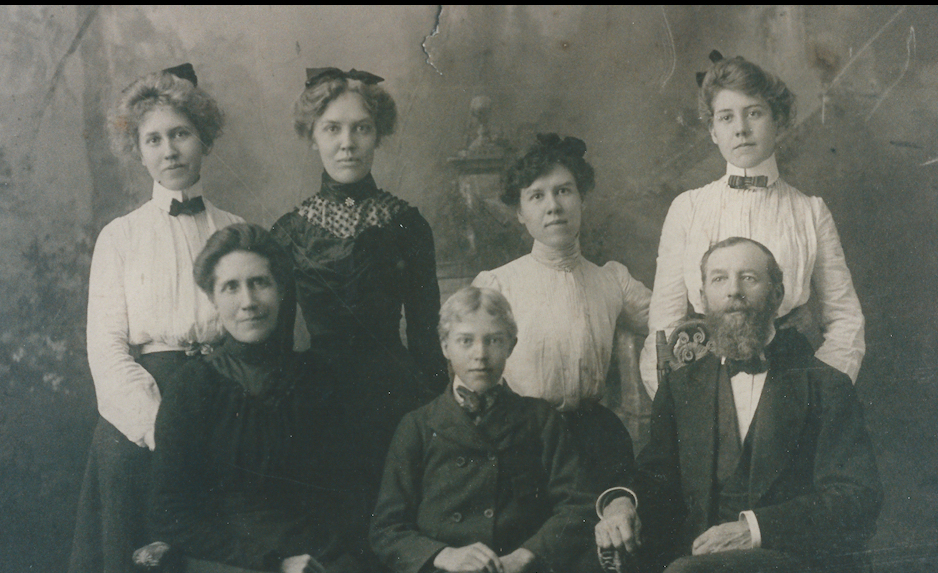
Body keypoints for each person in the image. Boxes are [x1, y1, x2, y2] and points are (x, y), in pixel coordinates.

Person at [596, 237, 898, 573]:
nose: (733, 292)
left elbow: (856, 498)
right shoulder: (681, 387)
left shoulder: (825, 385)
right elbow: (657, 479)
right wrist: (620, 501)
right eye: (719, 280)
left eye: (748, 278)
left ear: (776, 293)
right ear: (703, 298)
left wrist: (755, 529)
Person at [39, 63, 243, 573]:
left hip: (222, 415)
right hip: (138, 431)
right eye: (154, 139)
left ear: (203, 138)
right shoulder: (120, 238)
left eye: (181, 134)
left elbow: (256, 338)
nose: (169, 150)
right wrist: (164, 428)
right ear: (139, 150)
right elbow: (107, 352)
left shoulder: (239, 230)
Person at [148, 223, 413, 573]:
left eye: (261, 284)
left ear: (282, 290)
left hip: (319, 552)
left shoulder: (316, 378)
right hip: (224, 569)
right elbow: (172, 515)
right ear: (213, 299)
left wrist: (339, 554)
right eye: (232, 287)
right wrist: (272, 558)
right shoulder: (191, 390)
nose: (249, 302)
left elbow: (346, 488)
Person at [369, 286, 596, 573]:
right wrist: (445, 555)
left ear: (512, 345)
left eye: (494, 340)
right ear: (445, 347)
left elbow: (578, 505)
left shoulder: (538, 418)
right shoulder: (416, 425)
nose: (481, 354)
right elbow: (385, 530)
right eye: (467, 340)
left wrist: (524, 556)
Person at [638, 54, 866, 400]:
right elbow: (663, 326)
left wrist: (819, 394)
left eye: (754, 113)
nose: (741, 128)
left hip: (790, 380)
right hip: (705, 382)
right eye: (726, 117)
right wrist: (681, 405)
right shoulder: (688, 208)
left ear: (778, 120)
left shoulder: (810, 212)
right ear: (713, 131)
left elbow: (846, 319)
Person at [271, 67, 447, 502]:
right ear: (312, 137)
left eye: (361, 129)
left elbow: (426, 334)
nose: (347, 143)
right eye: (332, 129)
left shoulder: (407, 223)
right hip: (318, 399)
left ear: (378, 136)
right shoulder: (288, 231)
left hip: (398, 395)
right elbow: (276, 345)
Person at [473, 134, 651, 495]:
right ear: (520, 213)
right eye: (537, 196)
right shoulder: (497, 286)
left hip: (596, 441)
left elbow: (670, 321)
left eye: (564, 191)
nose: (553, 206)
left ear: (581, 199)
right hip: (522, 443)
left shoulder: (611, 280)